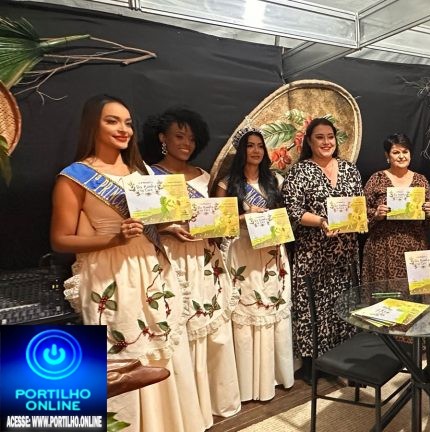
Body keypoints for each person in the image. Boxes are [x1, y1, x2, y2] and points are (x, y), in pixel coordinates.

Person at [51, 94, 206, 431]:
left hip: (150, 268)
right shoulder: (74, 177)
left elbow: (150, 222)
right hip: (110, 275)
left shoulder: (142, 171)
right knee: (123, 358)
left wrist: (169, 226)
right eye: (112, 121)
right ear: (93, 125)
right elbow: (61, 240)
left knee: (162, 347)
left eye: (128, 122)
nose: (123, 129)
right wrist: (114, 239)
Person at [141, 107, 241, 420]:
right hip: (172, 260)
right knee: (181, 331)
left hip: (206, 259)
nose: (186, 143)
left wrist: (225, 224)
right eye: (179, 136)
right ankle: (189, 411)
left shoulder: (203, 176)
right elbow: (143, 224)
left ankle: (216, 401)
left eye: (192, 138)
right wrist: (166, 228)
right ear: (162, 138)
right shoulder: (148, 176)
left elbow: (212, 217)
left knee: (214, 330)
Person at [213, 127, 294, 401]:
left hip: (272, 252)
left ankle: (276, 375)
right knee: (248, 309)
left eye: (260, 145)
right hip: (242, 251)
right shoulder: (227, 184)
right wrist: (244, 217)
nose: (256, 150)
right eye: (250, 145)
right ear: (242, 151)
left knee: (272, 307)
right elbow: (217, 223)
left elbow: (287, 216)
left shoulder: (276, 180)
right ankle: (247, 384)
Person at [282, 118, 362, 379]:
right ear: (309, 141)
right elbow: (293, 211)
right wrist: (321, 222)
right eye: (320, 137)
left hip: (345, 253)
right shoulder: (299, 171)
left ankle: (345, 359)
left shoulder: (350, 169)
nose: (327, 142)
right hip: (313, 254)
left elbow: (358, 205)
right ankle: (315, 365)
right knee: (314, 308)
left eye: (330, 136)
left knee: (344, 304)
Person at [362, 133, 430, 281]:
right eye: (396, 152)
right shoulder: (377, 179)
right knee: (383, 293)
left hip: (415, 249)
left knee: (413, 293)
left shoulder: (421, 180)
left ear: (410, 154)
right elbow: (361, 214)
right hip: (382, 249)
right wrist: (376, 214)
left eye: (405, 152)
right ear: (387, 156)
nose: (401, 156)